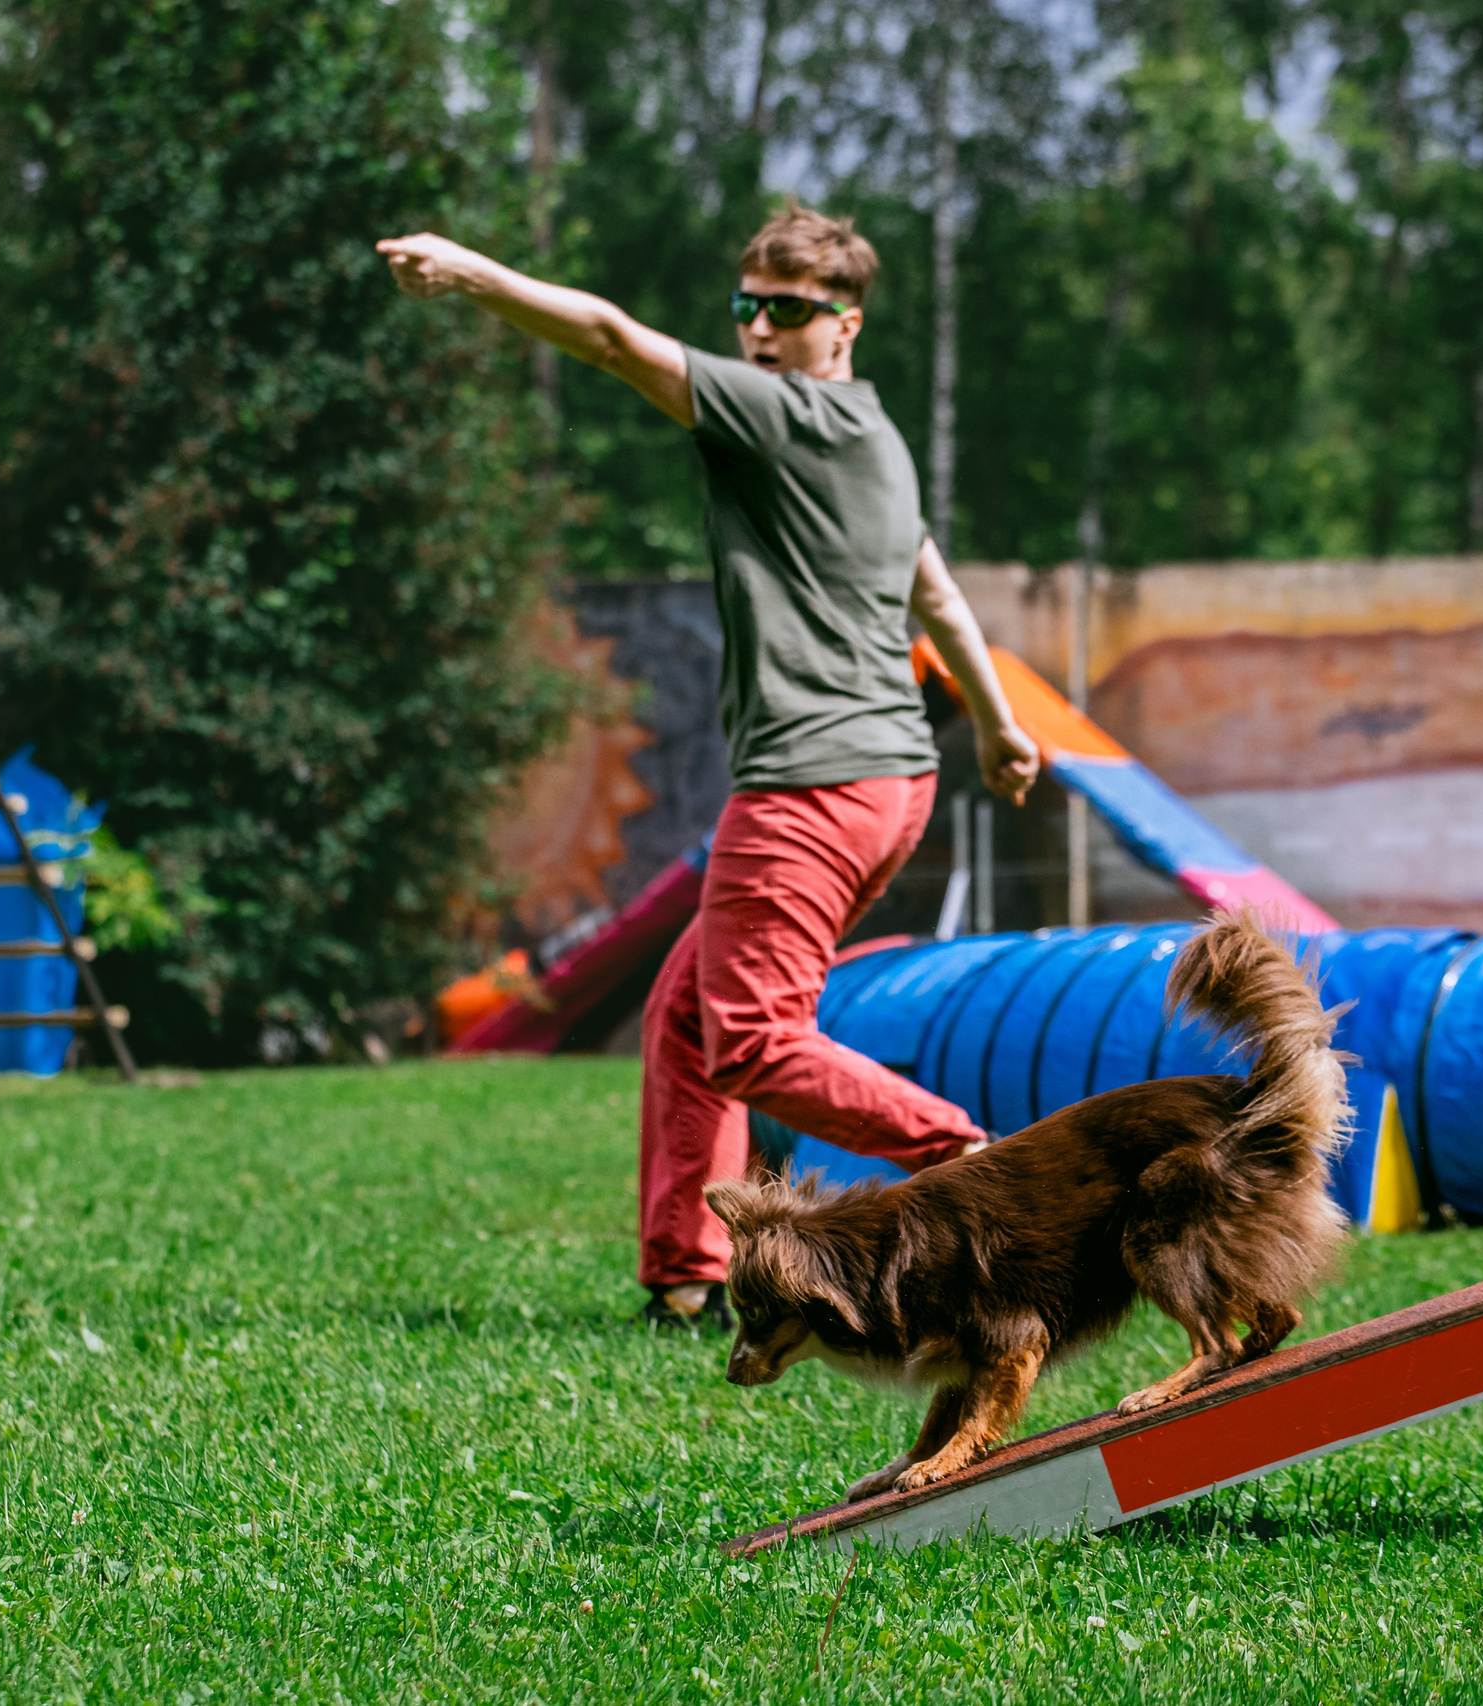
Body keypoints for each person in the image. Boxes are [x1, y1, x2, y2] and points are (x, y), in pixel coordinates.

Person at [379, 205, 1041, 1329]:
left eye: (788, 311)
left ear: (845, 325)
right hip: (888, 781)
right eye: (747, 307)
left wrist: (473, 275)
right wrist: (999, 723)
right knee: (687, 1015)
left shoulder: (782, 414)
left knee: (749, 1036)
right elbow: (932, 587)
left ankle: (970, 1154)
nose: (761, 330)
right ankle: (688, 1272)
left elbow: (608, 338)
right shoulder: (874, 438)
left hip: (810, 783)